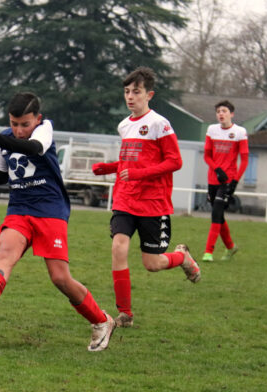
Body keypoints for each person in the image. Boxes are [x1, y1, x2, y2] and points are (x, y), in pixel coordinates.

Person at [0, 92, 115, 352]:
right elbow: (3, 172)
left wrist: (0, 138)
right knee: (5, 253)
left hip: (50, 209)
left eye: (24, 124)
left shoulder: (45, 130)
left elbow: (33, 149)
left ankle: (101, 321)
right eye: (14, 124)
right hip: (19, 208)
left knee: (60, 279)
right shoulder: (6, 138)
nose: (18, 130)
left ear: (37, 119)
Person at [91, 66, 200, 329]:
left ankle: (183, 257)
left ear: (149, 94)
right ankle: (125, 314)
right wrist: (109, 167)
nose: (130, 96)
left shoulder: (159, 124)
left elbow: (175, 161)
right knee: (118, 247)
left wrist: (139, 173)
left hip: (153, 204)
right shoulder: (124, 125)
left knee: (152, 264)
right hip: (125, 200)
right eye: (127, 92)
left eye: (136, 92)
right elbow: (130, 162)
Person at [201, 100, 249, 262]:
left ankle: (208, 252)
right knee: (219, 216)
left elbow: (244, 161)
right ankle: (230, 247)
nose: (221, 114)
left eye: (224, 111)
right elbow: (207, 155)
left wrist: (234, 182)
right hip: (213, 179)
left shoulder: (240, 132)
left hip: (227, 182)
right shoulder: (211, 130)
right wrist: (217, 169)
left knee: (216, 214)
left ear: (232, 114)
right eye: (218, 111)